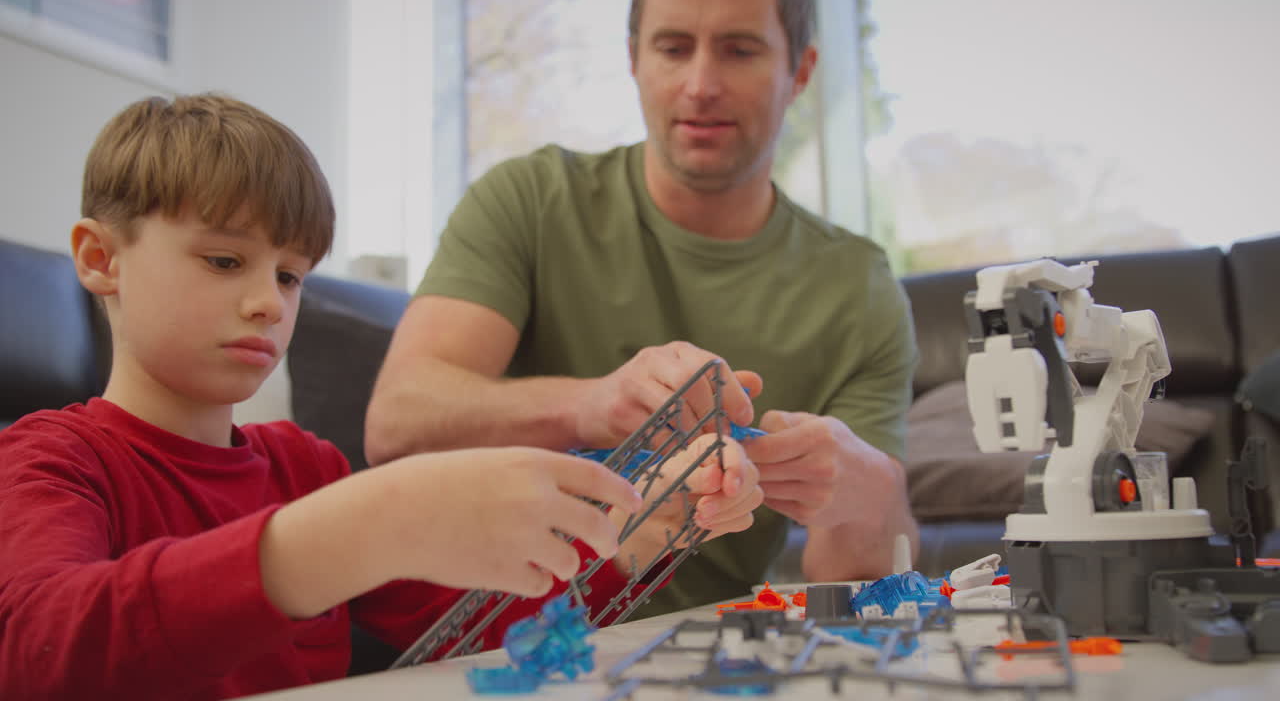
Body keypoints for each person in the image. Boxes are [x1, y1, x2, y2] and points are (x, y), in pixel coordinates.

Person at [0, 94, 762, 700]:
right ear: (101, 258)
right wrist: (362, 525)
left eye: (290, 275)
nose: (269, 302)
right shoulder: (49, 461)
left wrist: (641, 530)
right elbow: (38, 649)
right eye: (226, 259)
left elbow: (481, 630)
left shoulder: (305, 467)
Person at [365, 0, 919, 618]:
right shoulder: (529, 200)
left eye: (740, 50)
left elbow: (846, 581)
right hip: (503, 635)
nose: (700, 84)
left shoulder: (859, 286)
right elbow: (396, 424)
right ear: (633, 57)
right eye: (673, 47)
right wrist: (590, 405)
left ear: (801, 71)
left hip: (709, 651)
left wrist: (869, 493)